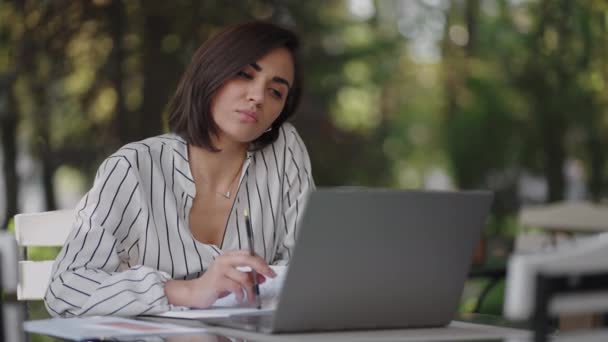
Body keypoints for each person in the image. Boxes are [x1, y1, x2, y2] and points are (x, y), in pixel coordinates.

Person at [44, 21, 315, 317]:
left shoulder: (284, 150)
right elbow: (65, 287)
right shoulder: (134, 167)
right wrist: (188, 291)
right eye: (244, 75)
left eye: (276, 92)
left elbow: (308, 266)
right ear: (210, 75)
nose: (258, 96)